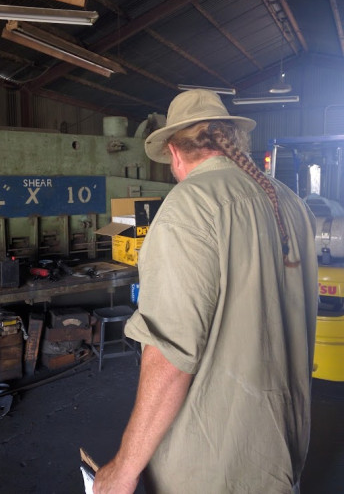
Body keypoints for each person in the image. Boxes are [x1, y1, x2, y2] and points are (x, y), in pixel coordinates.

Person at [93, 89, 318, 494]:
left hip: (214, 466)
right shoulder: (290, 202)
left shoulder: (189, 207)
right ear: (232, 140)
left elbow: (170, 357)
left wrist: (123, 469)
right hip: (283, 448)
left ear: (175, 153)